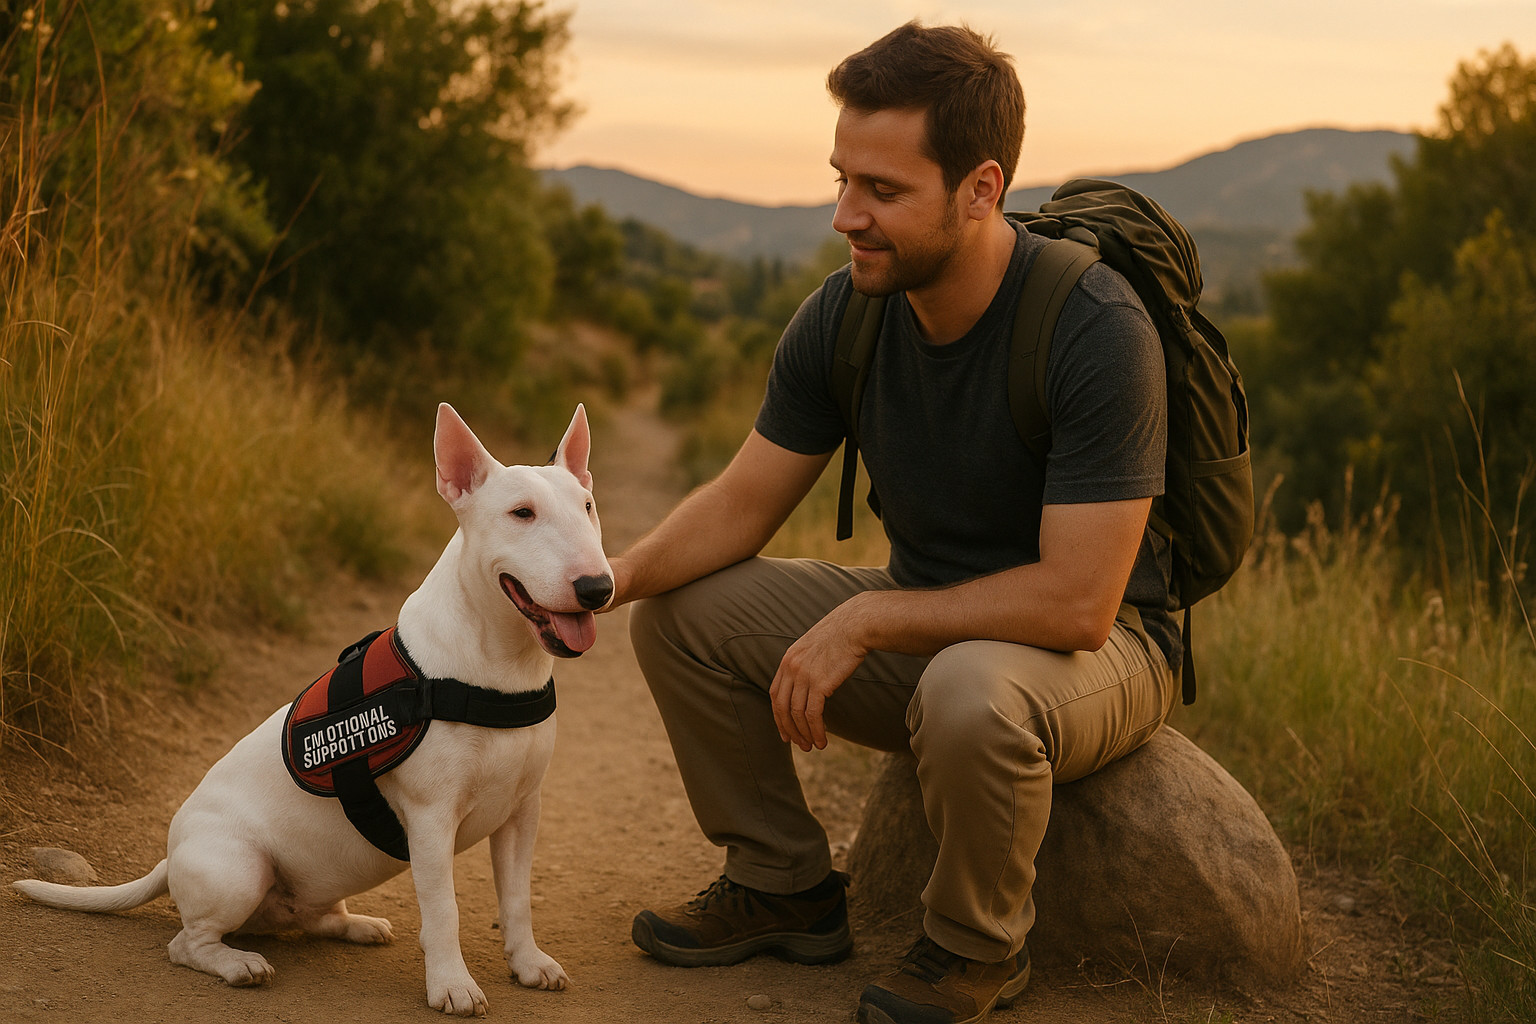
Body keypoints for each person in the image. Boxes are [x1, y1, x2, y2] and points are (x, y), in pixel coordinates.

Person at [604, 20, 1181, 1024]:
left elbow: (1080, 603)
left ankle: (974, 946)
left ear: (980, 189)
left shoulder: (1094, 328)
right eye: (842, 179)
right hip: (937, 627)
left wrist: (870, 620)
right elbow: (739, 505)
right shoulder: (846, 315)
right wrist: (600, 581)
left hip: (1105, 649)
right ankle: (783, 885)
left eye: (882, 190)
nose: (846, 216)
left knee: (970, 691)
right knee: (682, 615)